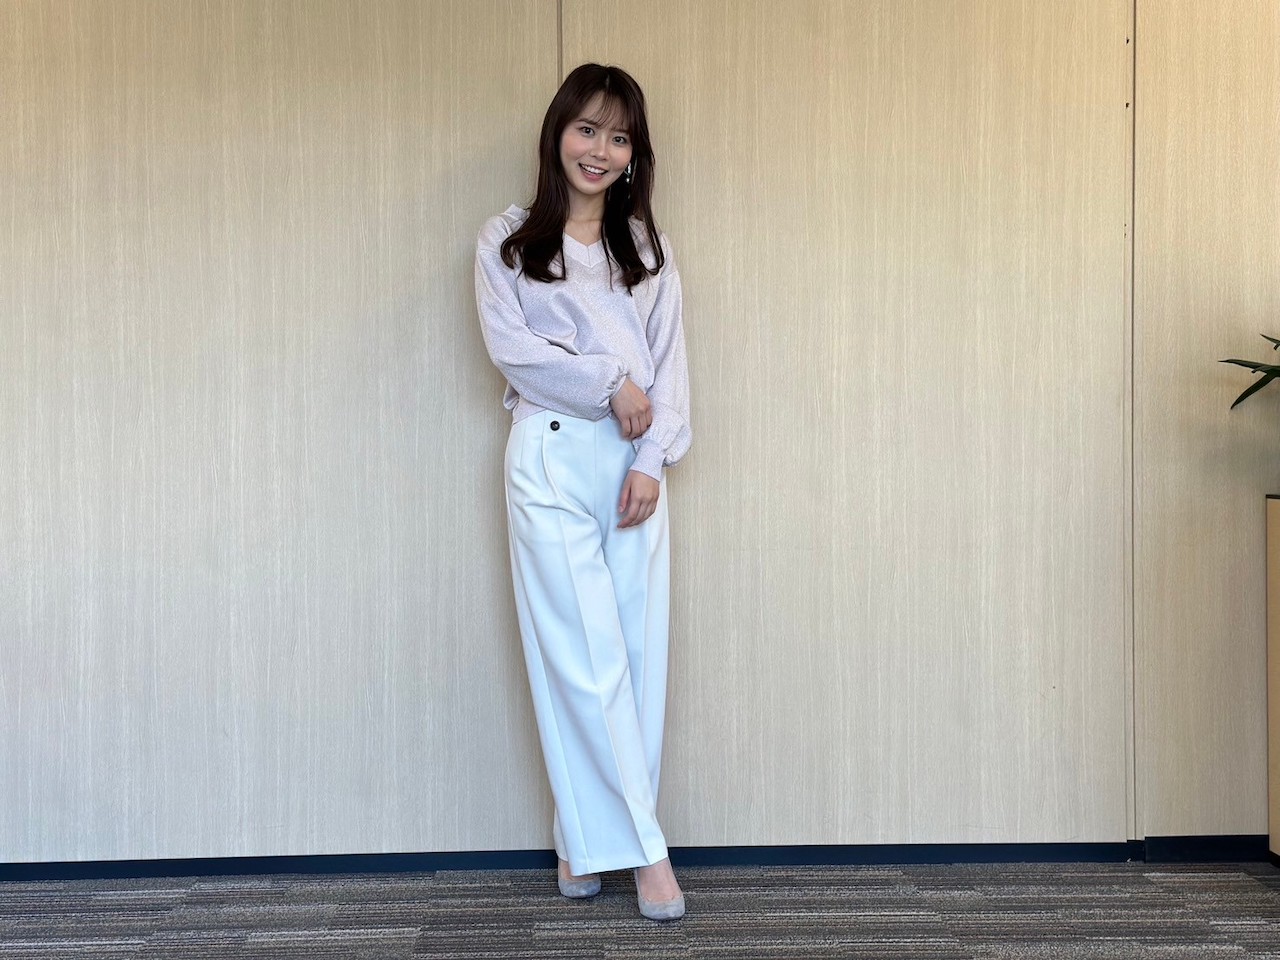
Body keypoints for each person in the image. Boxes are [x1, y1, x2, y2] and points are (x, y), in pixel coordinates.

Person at [474, 63, 691, 922]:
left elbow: (671, 370)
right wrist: (609, 382)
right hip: (553, 453)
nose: (599, 150)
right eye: (586, 128)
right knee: (584, 655)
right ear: (557, 133)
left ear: (635, 154)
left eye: (619, 136)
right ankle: (647, 854)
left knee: (635, 656)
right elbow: (514, 352)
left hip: (634, 465)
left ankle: (580, 837)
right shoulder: (507, 241)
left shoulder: (649, 251)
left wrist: (652, 459)